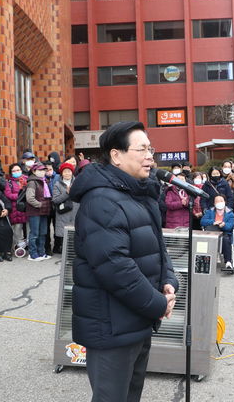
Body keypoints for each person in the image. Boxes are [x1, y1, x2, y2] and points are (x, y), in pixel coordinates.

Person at [70, 121, 179, 401]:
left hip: (137, 319)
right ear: (116, 155)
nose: (150, 156)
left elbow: (156, 245)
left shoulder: (140, 194)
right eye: (141, 149)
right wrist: (156, 304)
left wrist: (167, 281)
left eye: (150, 149)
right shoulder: (102, 200)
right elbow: (114, 267)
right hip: (111, 326)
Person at [25, 162, 52, 261]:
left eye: (43, 170)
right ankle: (33, 254)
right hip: (35, 211)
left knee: (43, 233)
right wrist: (40, 205)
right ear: (34, 171)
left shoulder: (45, 181)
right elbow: (30, 198)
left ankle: (42, 252)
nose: (42, 172)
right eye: (40, 170)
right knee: (34, 233)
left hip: (44, 211)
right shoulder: (32, 182)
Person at [201, 194, 234, 271]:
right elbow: (202, 221)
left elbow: (230, 226)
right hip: (212, 232)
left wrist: (224, 225)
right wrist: (213, 222)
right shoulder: (209, 212)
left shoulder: (230, 213)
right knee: (208, 239)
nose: (219, 202)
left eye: (221, 200)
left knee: (225, 239)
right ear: (214, 203)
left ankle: (228, 262)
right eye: (217, 201)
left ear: (224, 202)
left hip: (224, 232)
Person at [51, 163, 79, 255]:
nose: (67, 173)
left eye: (69, 171)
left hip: (76, 212)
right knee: (65, 236)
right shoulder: (57, 185)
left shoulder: (77, 182)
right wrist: (66, 193)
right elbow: (55, 200)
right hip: (64, 213)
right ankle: (65, 257)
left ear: (72, 172)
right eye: (65, 172)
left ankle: (74, 256)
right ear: (61, 173)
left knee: (76, 235)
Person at [4, 163, 29, 252]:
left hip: (27, 207)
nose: (16, 172)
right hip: (16, 209)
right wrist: (21, 196)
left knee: (29, 228)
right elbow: (8, 194)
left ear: (21, 170)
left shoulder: (27, 180)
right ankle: (19, 247)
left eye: (18, 170)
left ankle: (29, 245)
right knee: (17, 228)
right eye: (14, 171)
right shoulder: (9, 182)